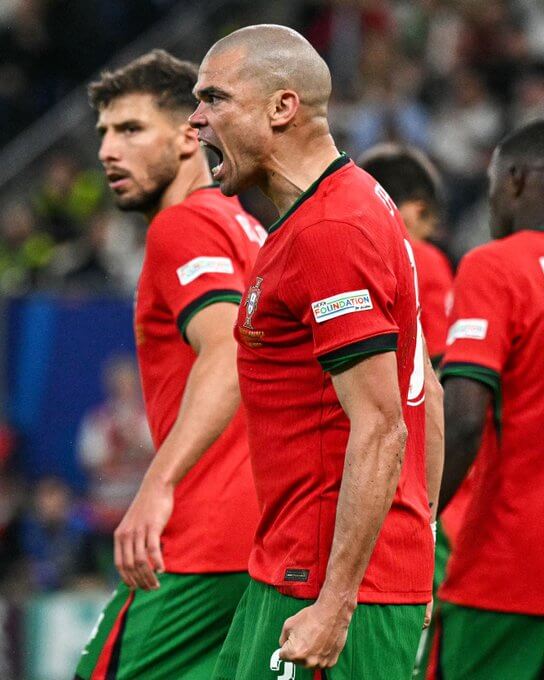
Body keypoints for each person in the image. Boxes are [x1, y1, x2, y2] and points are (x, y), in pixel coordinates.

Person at [190, 25, 441, 679]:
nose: (195, 119)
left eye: (213, 98)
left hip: (327, 583)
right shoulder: (327, 214)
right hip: (298, 569)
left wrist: (336, 602)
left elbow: (383, 426)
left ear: (282, 107)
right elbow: (423, 399)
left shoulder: (330, 231)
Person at [74, 50, 262, 680]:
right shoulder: (252, 231)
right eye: (103, 132)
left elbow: (228, 350)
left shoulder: (181, 228)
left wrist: (156, 483)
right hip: (269, 541)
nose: (107, 149)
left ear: (190, 135)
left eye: (129, 130)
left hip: (200, 540)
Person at [429, 120, 544, 679]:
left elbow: (466, 418)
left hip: (509, 571)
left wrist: (418, 520)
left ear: (517, 180)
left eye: (494, 181)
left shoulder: (495, 266)